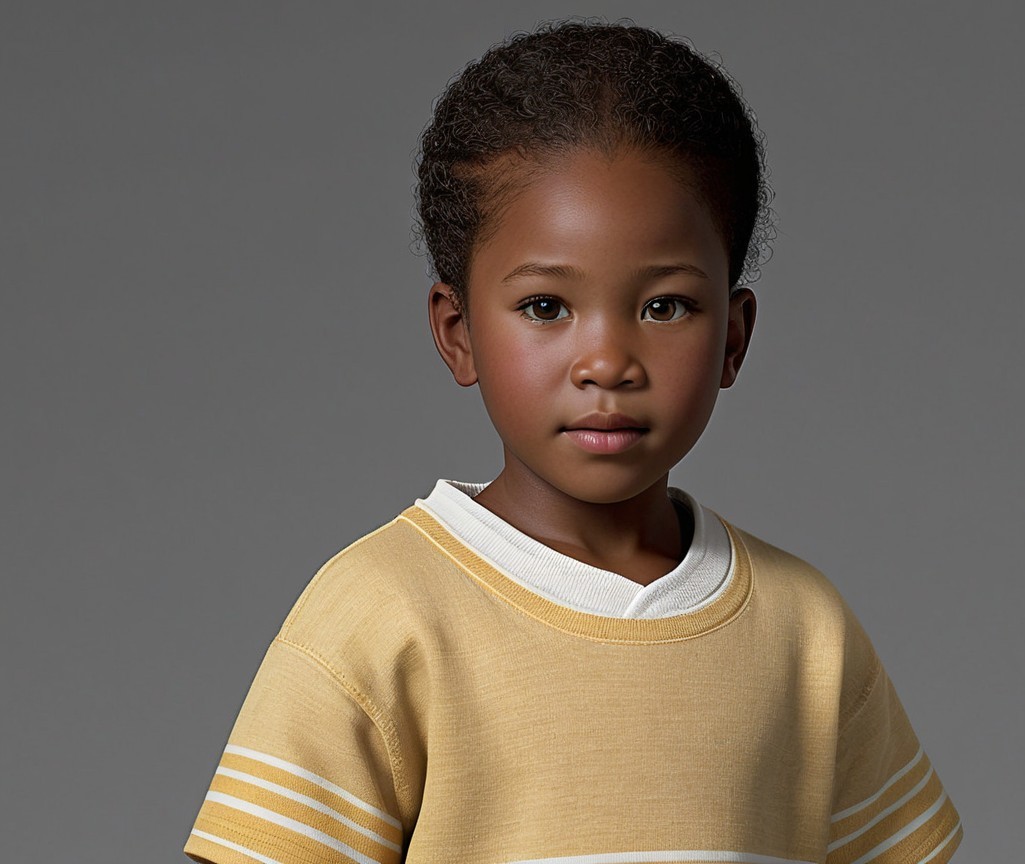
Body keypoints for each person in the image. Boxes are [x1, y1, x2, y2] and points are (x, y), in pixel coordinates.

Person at [183, 20, 962, 864]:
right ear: (458, 333)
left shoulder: (807, 632)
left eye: (665, 306)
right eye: (547, 308)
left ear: (734, 339)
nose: (607, 363)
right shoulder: (381, 618)